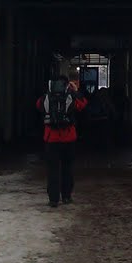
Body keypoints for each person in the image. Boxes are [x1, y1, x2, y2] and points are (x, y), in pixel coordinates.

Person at [36, 75, 88, 208]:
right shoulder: (70, 95)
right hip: (68, 138)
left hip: (51, 138)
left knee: (53, 169)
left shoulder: (48, 96)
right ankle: (66, 196)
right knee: (67, 168)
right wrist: (75, 90)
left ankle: (53, 199)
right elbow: (82, 104)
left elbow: (38, 106)